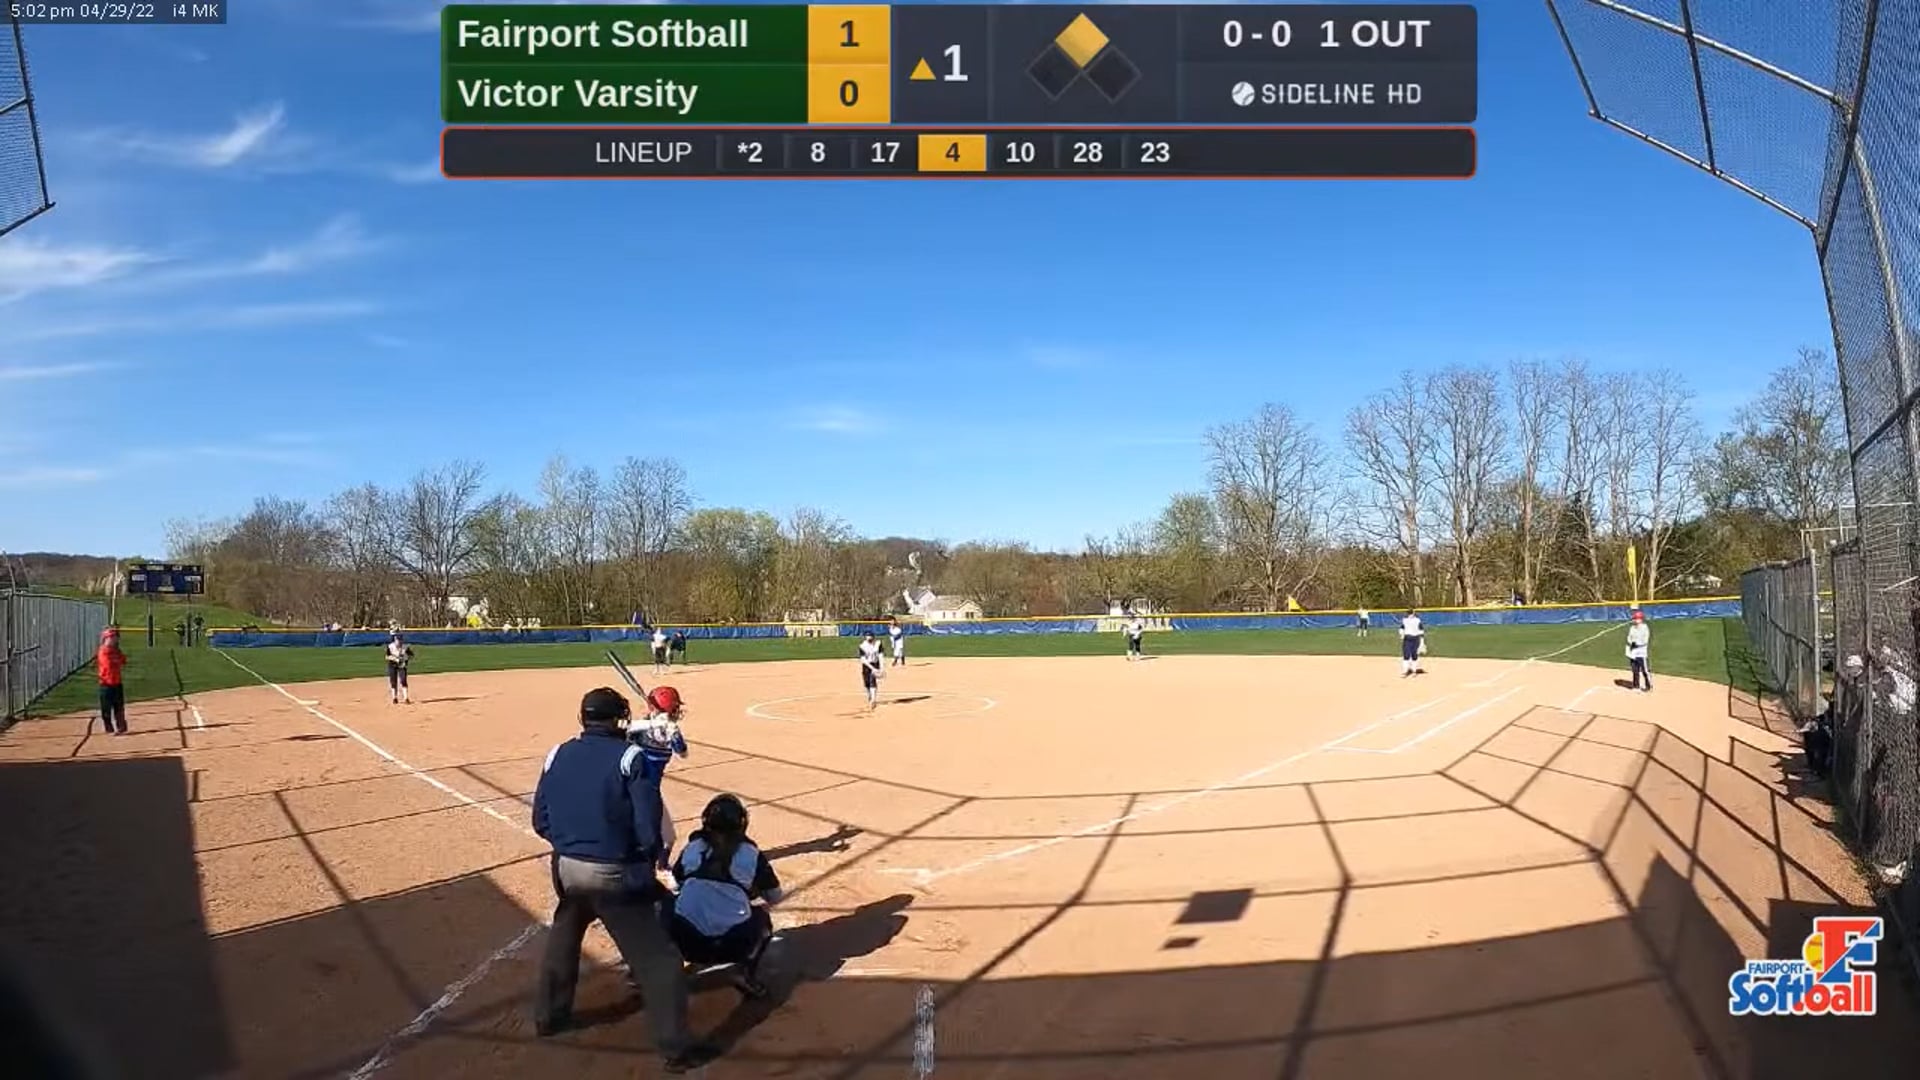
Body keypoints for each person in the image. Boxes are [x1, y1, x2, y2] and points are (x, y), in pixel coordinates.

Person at [531, 687, 712, 1071]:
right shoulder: (630, 757)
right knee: (660, 961)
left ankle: (549, 1017)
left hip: (565, 868)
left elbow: (540, 820)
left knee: (565, 935)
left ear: (583, 719)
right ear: (620, 719)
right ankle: (676, 1049)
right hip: (613, 873)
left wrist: (573, 844)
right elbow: (648, 829)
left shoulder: (556, 753)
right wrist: (641, 861)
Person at [666, 793, 784, 999]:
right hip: (732, 947)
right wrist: (749, 890)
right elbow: (775, 896)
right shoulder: (751, 853)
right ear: (742, 823)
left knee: (667, 906)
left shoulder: (693, 848)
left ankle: (663, 971)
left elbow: (675, 884)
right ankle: (744, 973)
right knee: (762, 919)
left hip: (687, 944)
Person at [627, 685, 691, 869]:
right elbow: (626, 728)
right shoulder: (641, 728)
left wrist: (670, 730)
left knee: (666, 838)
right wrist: (655, 725)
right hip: (643, 794)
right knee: (661, 839)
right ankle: (656, 870)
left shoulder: (666, 729)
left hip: (641, 791)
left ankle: (659, 868)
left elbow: (683, 752)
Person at [96, 627, 127, 735]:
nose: (114, 640)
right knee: (106, 708)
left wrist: (118, 655)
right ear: (106, 638)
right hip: (106, 683)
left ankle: (121, 726)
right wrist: (117, 659)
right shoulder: (103, 651)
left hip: (117, 682)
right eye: (111, 638)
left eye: (115, 638)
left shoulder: (116, 650)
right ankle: (109, 728)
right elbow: (108, 664)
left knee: (119, 706)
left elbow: (123, 661)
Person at [1625, 609, 1652, 692]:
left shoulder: (1645, 628)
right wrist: (1631, 642)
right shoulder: (1632, 628)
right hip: (1633, 652)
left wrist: (1637, 643)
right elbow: (1629, 637)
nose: (1635, 620)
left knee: (1644, 670)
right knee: (1635, 670)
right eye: (1635, 618)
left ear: (1641, 619)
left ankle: (1648, 685)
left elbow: (1645, 640)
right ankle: (1636, 685)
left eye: (1637, 618)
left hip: (1641, 652)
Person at [385, 631, 413, 705]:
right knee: (393, 681)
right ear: (394, 640)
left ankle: (406, 698)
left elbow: (411, 656)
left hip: (402, 665)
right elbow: (387, 656)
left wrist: (405, 658)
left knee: (403, 680)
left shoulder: (405, 647)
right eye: (397, 640)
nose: (399, 641)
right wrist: (395, 659)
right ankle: (394, 698)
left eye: (400, 640)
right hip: (392, 665)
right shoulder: (390, 646)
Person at [858, 633, 884, 710]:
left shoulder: (878, 644)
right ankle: (870, 695)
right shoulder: (862, 646)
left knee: (872, 680)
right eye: (868, 639)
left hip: (875, 663)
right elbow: (863, 660)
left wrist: (881, 667)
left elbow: (881, 656)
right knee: (866, 683)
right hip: (867, 665)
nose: (870, 640)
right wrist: (872, 668)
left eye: (871, 639)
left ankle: (873, 700)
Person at [1398, 610, 1425, 677]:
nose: (1410, 615)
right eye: (1409, 613)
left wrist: (1422, 641)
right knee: (1406, 655)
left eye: (1411, 613)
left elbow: (1421, 630)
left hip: (1415, 639)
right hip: (1407, 639)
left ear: (1413, 613)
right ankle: (1405, 671)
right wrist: (1401, 634)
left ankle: (1414, 671)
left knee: (1414, 655)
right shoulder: (1405, 620)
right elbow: (1401, 628)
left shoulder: (1417, 620)